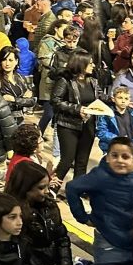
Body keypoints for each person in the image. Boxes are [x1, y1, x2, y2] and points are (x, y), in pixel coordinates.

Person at [65, 136, 133, 265]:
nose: (119, 160)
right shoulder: (100, 176)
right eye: (114, 156)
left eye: (125, 157)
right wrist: (83, 217)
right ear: (107, 157)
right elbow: (72, 188)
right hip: (107, 240)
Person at [5, 161, 72, 265]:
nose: (47, 191)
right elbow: (24, 251)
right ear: (25, 188)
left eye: (48, 186)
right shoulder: (13, 213)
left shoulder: (50, 205)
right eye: (41, 187)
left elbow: (62, 239)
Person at [51, 50, 100, 183]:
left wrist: (114, 99)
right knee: (67, 160)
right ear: (81, 64)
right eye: (90, 63)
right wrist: (77, 109)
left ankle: (77, 189)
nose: (93, 65)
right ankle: (52, 189)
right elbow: (56, 101)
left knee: (82, 162)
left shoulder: (92, 80)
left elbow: (99, 97)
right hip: (68, 125)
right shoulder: (64, 80)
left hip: (88, 125)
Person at [97, 86, 133, 152]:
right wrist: (118, 139)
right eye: (120, 98)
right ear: (113, 99)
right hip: (112, 147)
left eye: (126, 98)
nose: (123, 101)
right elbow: (101, 132)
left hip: (130, 147)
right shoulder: (107, 114)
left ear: (130, 100)